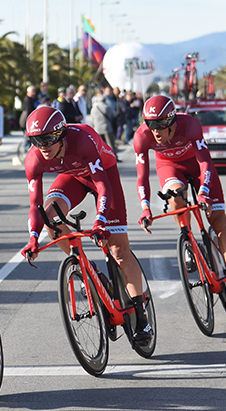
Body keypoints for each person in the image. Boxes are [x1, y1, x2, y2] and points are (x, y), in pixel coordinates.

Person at [21, 107, 152, 345]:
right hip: (72, 177)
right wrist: (32, 237)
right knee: (50, 216)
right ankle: (85, 266)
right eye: (35, 140)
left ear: (61, 134)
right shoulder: (34, 159)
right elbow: (35, 206)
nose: (42, 145)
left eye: (48, 138)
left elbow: (102, 186)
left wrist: (100, 221)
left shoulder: (82, 139)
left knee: (119, 250)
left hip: (103, 175)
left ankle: (141, 316)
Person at [134, 95, 226, 307]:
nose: (155, 130)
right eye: (150, 123)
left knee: (218, 222)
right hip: (170, 167)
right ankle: (187, 240)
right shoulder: (142, 136)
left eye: (160, 124)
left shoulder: (190, 125)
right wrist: (145, 207)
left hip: (197, 166)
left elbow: (205, 162)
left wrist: (203, 191)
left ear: (172, 121)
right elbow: (142, 177)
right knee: (176, 195)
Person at [90, 92, 119, 161]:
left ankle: (100, 158)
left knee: (99, 145)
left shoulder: (94, 108)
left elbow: (92, 118)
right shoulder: (107, 107)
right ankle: (113, 157)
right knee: (110, 144)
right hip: (107, 127)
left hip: (97, 128)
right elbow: (114, 115)